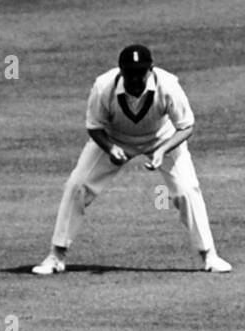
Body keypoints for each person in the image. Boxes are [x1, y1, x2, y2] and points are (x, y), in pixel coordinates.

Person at [32, 44, 231, 276]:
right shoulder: (103, 86)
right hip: (115, 138)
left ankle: (209, 255)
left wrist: (161, 151)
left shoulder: (168, 85)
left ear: (151, 69)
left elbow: (186, 127)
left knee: (186, 190)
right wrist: (111, 147)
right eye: (130, 73)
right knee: (77, 185)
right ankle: (56, 256)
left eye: (141, 72)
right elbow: (94, 127)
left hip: (163, 138)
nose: (136, 78)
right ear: (121, 71)